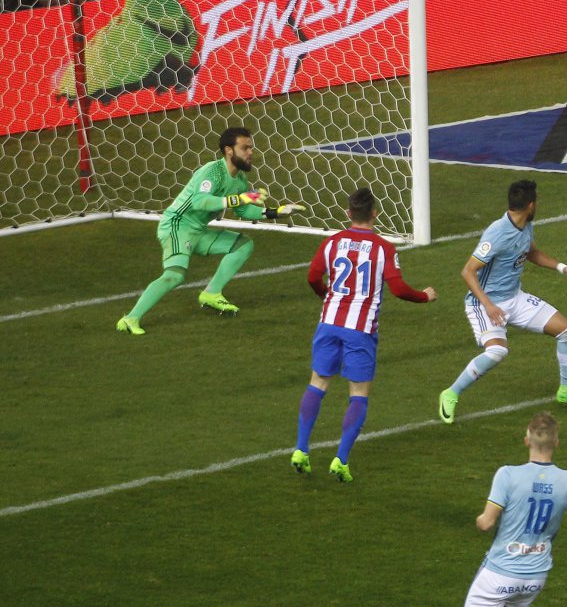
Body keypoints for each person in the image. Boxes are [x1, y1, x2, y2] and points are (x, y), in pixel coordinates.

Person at [290, 187, 437, 482]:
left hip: (329, 323)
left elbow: (312, 277)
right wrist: (424, 296)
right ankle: (341, 460)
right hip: (360, 329)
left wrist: (326, 295)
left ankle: (301, 450)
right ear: (374, 214)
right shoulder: (383, 248)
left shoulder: (332, 242)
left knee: (318, 383)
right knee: (358, 393)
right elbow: (398, 289)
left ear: (348, 213)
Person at [116, 126, 304, 335]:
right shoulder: (212, 171)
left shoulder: (240, 180)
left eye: (251, 147)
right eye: (245, 148)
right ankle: (130, 319)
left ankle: (211, 293)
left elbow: (242, 209)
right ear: (229, 150)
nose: (251, 152)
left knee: (243, 245)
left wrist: (275, 212)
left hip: (198, 230)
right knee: (175, 275)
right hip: (177, 226)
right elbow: (200, 201)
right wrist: (237, 199)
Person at [438, 180, 567, 424]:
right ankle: (451, 393)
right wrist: (489, 306)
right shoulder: (497, 233)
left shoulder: (525, 225)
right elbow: (468, 271)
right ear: (531, 205)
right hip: (484, 304)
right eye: (537, 201)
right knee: (497, 351)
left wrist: (563, 267)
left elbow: (530, 252)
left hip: (515, 298)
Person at [464, 411, 567, 607]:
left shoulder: (508, 475)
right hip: (534, 580)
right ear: (556, 443)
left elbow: (486, 523)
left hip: (499, 574)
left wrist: (479, 519)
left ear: (526, 441)